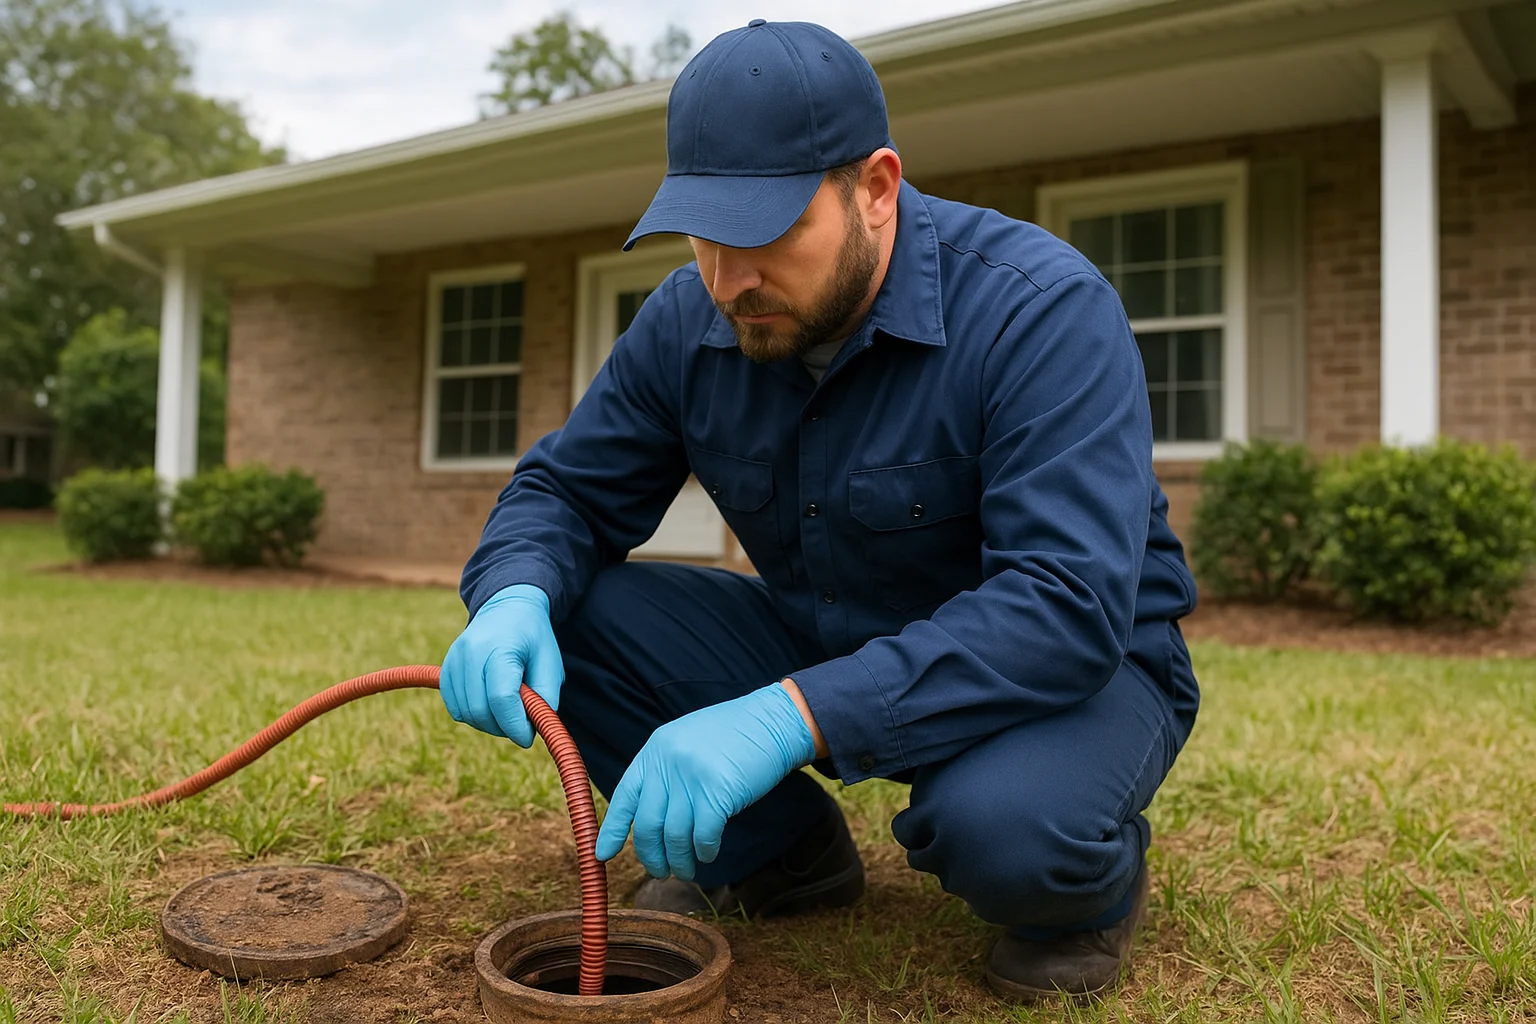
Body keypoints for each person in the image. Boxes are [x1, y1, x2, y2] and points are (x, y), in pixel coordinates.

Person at [439, 18, 1200, 1001]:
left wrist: (787, 719)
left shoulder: (1040, 310)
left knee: (1005, 830)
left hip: (1070, 663)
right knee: (566, 610)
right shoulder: (688, 316)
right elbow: (565, 495)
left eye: (766, 233)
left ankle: (1088, 888)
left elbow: (1063, 603)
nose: (731, 278)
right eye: (706, 236)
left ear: (876, 189)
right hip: (823, 630)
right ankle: (783, 854)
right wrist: (512, 594)